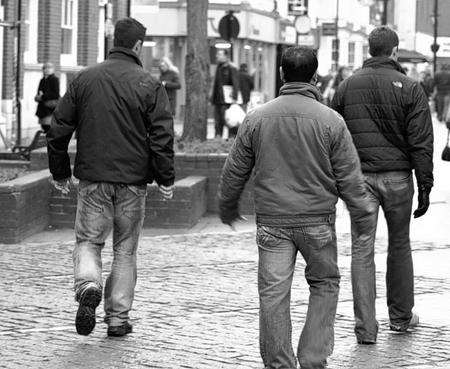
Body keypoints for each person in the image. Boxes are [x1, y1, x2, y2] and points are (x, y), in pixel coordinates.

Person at [218, 46, 374, 369]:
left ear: (281, 74)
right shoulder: (332, 121)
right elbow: (349, 175)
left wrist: (227, 205)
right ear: (315, 77)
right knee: (325, 283)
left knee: (273, 293)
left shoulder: (257, 118)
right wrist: (362, 212)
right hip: (317, 220)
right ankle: (313, 355)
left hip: (273, 221)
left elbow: (235, 169)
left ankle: (279, 363)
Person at [47, 18, 175, 337]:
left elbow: (58, 129)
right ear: (137, 46)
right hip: (133, 182)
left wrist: (60, 172)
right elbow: (162, 136)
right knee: (125, 250)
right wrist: (165, 177)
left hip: (93, 179)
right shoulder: (149, 84)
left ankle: (89, 284)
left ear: (113, 41)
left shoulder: (84, 79)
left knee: (89, 241)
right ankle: (117, 319)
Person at [331, 26, 434, 344]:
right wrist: (425, 183)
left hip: (359, 177)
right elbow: (420, 141)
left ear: (369, 50)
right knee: (400, 245)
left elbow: (333, 134)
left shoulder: (347, 86)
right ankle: (401, 318)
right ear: (394, 52)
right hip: (398, 177)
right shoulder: (410, 87)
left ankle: (366, 327)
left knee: (362, 248)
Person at [211, 49, 240, 138]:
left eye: (219, 54)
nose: (217, 56)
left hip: (227, 101)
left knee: (230, 122)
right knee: (218, 124)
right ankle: (218, 140)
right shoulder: (218, 67)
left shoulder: (231, 68)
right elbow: (216, 84)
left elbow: (235, 84)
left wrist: (234, 99)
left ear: (226, 56)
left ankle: (231, 143)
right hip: (218, 101)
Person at [35, 62, 60, 133]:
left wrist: (43, 96)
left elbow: (56, 94)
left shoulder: (54, 79)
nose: (47, 70)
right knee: (44, 126)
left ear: (53, 70)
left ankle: (50, 143)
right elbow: (39, 91)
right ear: (43, 70)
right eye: (45, 68)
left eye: (50, 68)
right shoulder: (42, 80)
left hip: (50, 107)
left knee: (48, 126)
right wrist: (38, 97)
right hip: (42, 107)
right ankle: (46, 142)